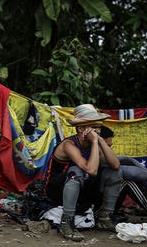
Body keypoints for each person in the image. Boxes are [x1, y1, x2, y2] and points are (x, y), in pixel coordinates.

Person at [42, 104, 122, 242]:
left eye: (99, 127)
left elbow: (115, 164)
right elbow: (91, 170)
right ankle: (66, 222)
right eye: (93, 127)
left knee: (114, 173)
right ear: (80, 129)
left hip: (79, 187)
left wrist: (100, 141)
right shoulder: (68, 144)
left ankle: (104, 217)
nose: (97, 131)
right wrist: (96, 141)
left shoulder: (94, 142)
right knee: (76, 170)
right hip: (56, 190)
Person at [99, 126, 147, 215]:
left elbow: (127, 160)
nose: (109, 150)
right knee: (128, 181)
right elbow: (128, 172)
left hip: (103, 204)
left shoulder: (105, 156)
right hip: (95, 210)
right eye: (106, 146)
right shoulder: (93, 156)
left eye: (110, 147)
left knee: (129, 166)